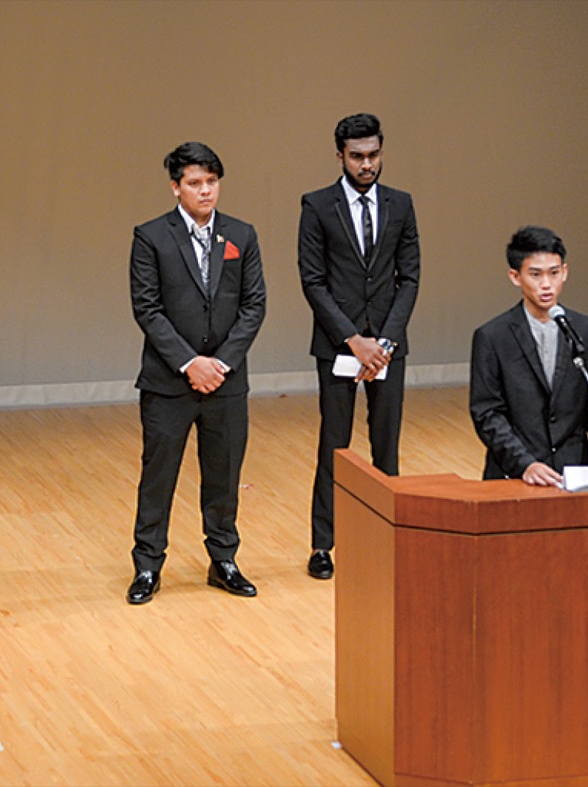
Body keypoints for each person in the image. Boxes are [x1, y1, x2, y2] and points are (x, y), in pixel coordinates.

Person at [126, 142, 267, 604]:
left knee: (224, 476)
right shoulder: (151, 237)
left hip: (226, 382)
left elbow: (254, 305)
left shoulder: (242, 234)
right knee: (159, 476)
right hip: (169, 383)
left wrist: (220, 364)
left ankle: (223, 560)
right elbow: (147, 309)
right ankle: (148, 565)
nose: (205, 190)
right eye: (194, 183)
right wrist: (191, 363)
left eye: (211, 181)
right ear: (176, 188)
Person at [298, 112, 420, 580]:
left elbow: (409, 278)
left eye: (373, 155)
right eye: (357, 157)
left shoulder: (401, 204)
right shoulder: (317, 206)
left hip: (388, 346)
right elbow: (313, 281)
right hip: (339, 345)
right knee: (335, 445)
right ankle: (323, 544)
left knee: (386, 446)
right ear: (340, 157)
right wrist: (353, 341)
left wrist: (384, 342)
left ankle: (387, 537)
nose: (366, 164)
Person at [469, 225, 588, 485]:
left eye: (554, 273)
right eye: (535, 275)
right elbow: (487, 413)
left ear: (565, 273)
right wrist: (524, 464)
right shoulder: (492, 337)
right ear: (515, 277)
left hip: (574, 472)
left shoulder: (587, 331)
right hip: (514, 474)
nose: (546, 284)